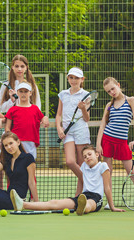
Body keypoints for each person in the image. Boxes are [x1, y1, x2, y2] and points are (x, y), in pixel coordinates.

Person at [10, 145, 126, 216]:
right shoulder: (84, 166)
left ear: (97, 155)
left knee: (89, 205)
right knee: (54, 203)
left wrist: (112, 206)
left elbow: (107, 187)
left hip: (96, 198)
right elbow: (81, 181)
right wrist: (78, 196)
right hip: (82, 196)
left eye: (89, 154)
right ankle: (22, 204)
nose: (87, 158)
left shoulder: (103, 166)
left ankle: (83, 208)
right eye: (84, 156)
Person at [96, 77, 134, 210]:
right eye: (108, 91)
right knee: (107, 172)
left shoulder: (131, 100)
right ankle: (110, 203)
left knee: (132, 172)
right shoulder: (109, 106)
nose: (112, 92)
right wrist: (98, 144)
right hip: (107, 140)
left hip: (122, 143)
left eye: (113, 89)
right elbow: (102, 125)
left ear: (118, 85)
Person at [0, 54, 42, 189]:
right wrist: (12, 100)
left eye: (22, 66)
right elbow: (0, 108)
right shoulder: (5, 85)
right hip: (11, 132)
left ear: (26, 68)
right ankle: (9, 192)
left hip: (28, 134)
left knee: (28, 165)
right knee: (10, 164)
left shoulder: (32, 85)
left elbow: (37, 108)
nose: (19, 69)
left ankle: (32, 196)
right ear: (12, 67)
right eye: (16, 66)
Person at [55, 67, 91, 196]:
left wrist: (83, 109)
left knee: (82, 165)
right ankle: (89, 183)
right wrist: (59, 128)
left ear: (82, 79)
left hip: (81, 130)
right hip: (67, 132)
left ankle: (79, 196)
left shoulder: (86, 95)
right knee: (70, 161)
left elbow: (86, 119)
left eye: (76, 78)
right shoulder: (63, 94)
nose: (74, 80)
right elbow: (58, 115)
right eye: (71, 77)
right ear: (68, 78)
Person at [3, 81, 49, 159]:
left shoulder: (35, 108)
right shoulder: (12, 109)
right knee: (16, 166)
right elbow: (7, 127)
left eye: (26, 91)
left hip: (31, 142)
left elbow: (43, 117)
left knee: (30, 166)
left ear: (30, 93)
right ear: (17, 93)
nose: (23, 94)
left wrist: (46, 118)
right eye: (21, 91)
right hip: (17, 143)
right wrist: (10, 140)